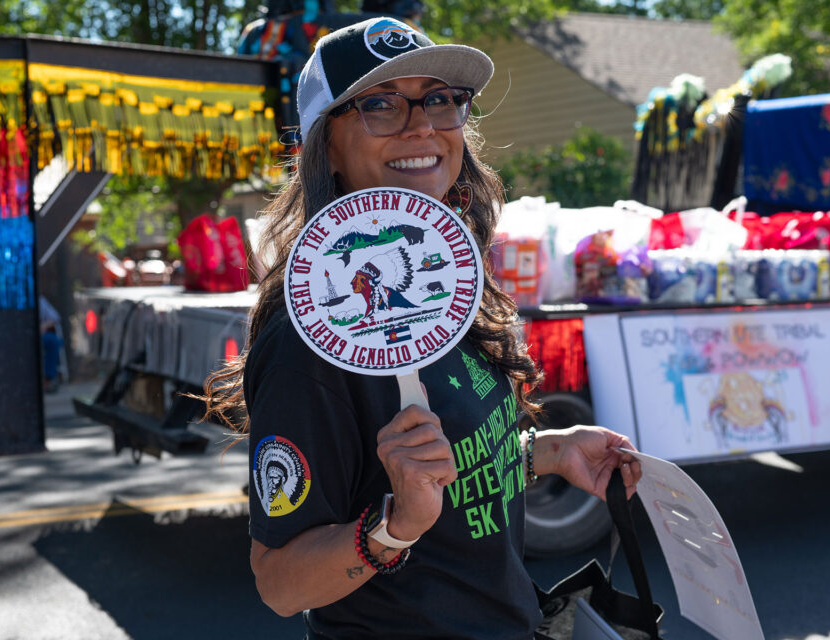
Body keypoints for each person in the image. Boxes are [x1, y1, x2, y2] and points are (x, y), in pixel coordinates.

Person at [202, 17, 642, 639]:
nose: (422, 126)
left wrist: (551, 451)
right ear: (325, 145)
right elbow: (279, 581)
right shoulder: (308, 337)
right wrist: (393, 526)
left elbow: (449, 464)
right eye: (381, 105)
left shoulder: (448, 285)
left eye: (441, 99)